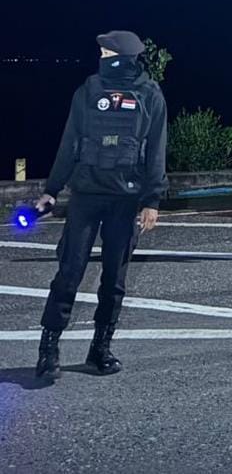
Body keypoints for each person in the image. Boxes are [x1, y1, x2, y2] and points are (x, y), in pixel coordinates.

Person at [34, 30, 168, 380]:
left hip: (126, 200)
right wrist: (52, 189)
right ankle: (48, 349)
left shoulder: (150, 94)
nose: (101, 56)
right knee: (69, 273)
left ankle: (100, 349)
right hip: (86, 195)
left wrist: (151, 200)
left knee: (114, 280)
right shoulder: (89, 90)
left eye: (106, 52)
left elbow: (157, 149)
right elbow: (70, 142)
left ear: (121, 56)